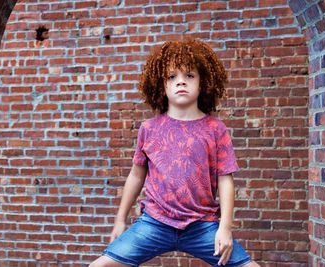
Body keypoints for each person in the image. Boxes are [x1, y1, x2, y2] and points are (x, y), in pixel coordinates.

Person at [90, 39, 260, 267]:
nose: (181, 82)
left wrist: (225, 228)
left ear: (203, 82)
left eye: (189, 76)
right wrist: (120, 219)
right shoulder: (149, 129)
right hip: (154, 223)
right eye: (172, 77)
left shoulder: (215, 129)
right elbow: (136, 175)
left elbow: (225, 179)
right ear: (161, 85)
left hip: (202, 226)